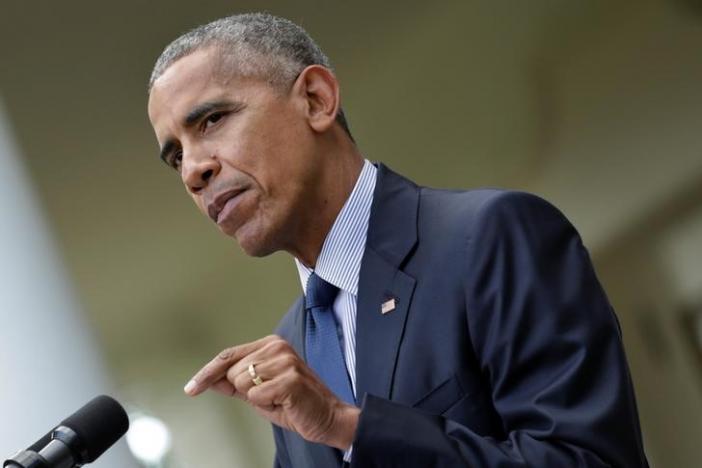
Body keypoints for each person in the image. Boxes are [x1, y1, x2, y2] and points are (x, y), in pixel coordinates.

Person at [147, 13, 649, 468]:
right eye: (175, 157)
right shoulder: (291, 348)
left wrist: (348, 427)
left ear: (316, 100)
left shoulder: (489, 236)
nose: (194, 171)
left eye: (212, 120)